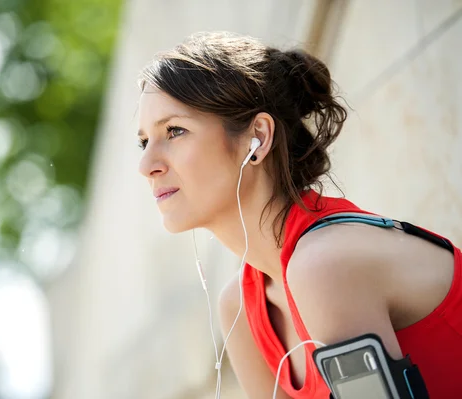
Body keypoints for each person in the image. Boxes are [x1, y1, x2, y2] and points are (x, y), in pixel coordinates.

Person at [135, 31, 461, 399]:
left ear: (256, 138)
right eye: (143, 141)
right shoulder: (240, 308)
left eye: (174, 131)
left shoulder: (324, 265)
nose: (146, 165)